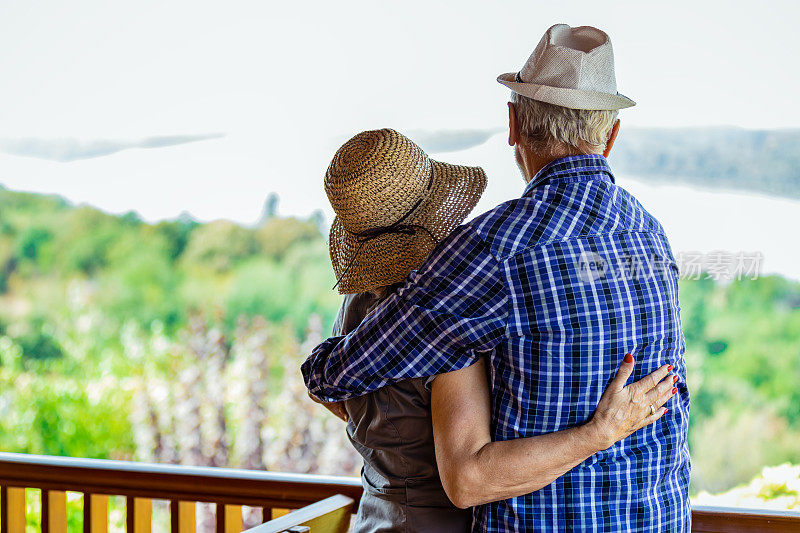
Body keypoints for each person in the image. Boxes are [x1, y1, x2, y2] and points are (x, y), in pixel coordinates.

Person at [313, 127, 679, 532]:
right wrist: (599, 433)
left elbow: (336, 395)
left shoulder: (357, 307)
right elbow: (468, 480)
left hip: (374, 517)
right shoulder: (450, 316)